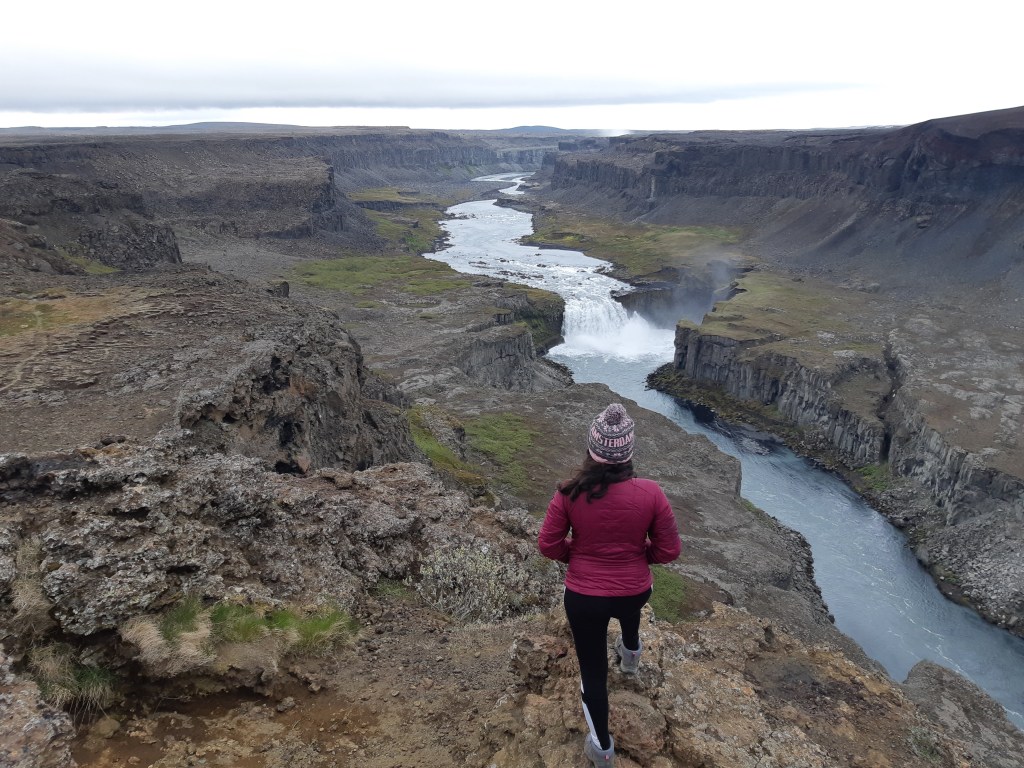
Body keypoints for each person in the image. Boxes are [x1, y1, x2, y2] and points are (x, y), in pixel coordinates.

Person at [538, 402, 681, 767]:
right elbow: (668, 551)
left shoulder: (568, 493)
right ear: (628, 452)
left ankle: (602, 749)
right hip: (633, 587)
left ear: (592, 449)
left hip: (584, 597)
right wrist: (636, 557)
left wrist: (579, 555)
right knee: (629, 607)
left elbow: (549, 546)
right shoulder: (652, 493)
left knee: (593, 673)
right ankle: (631, 653)